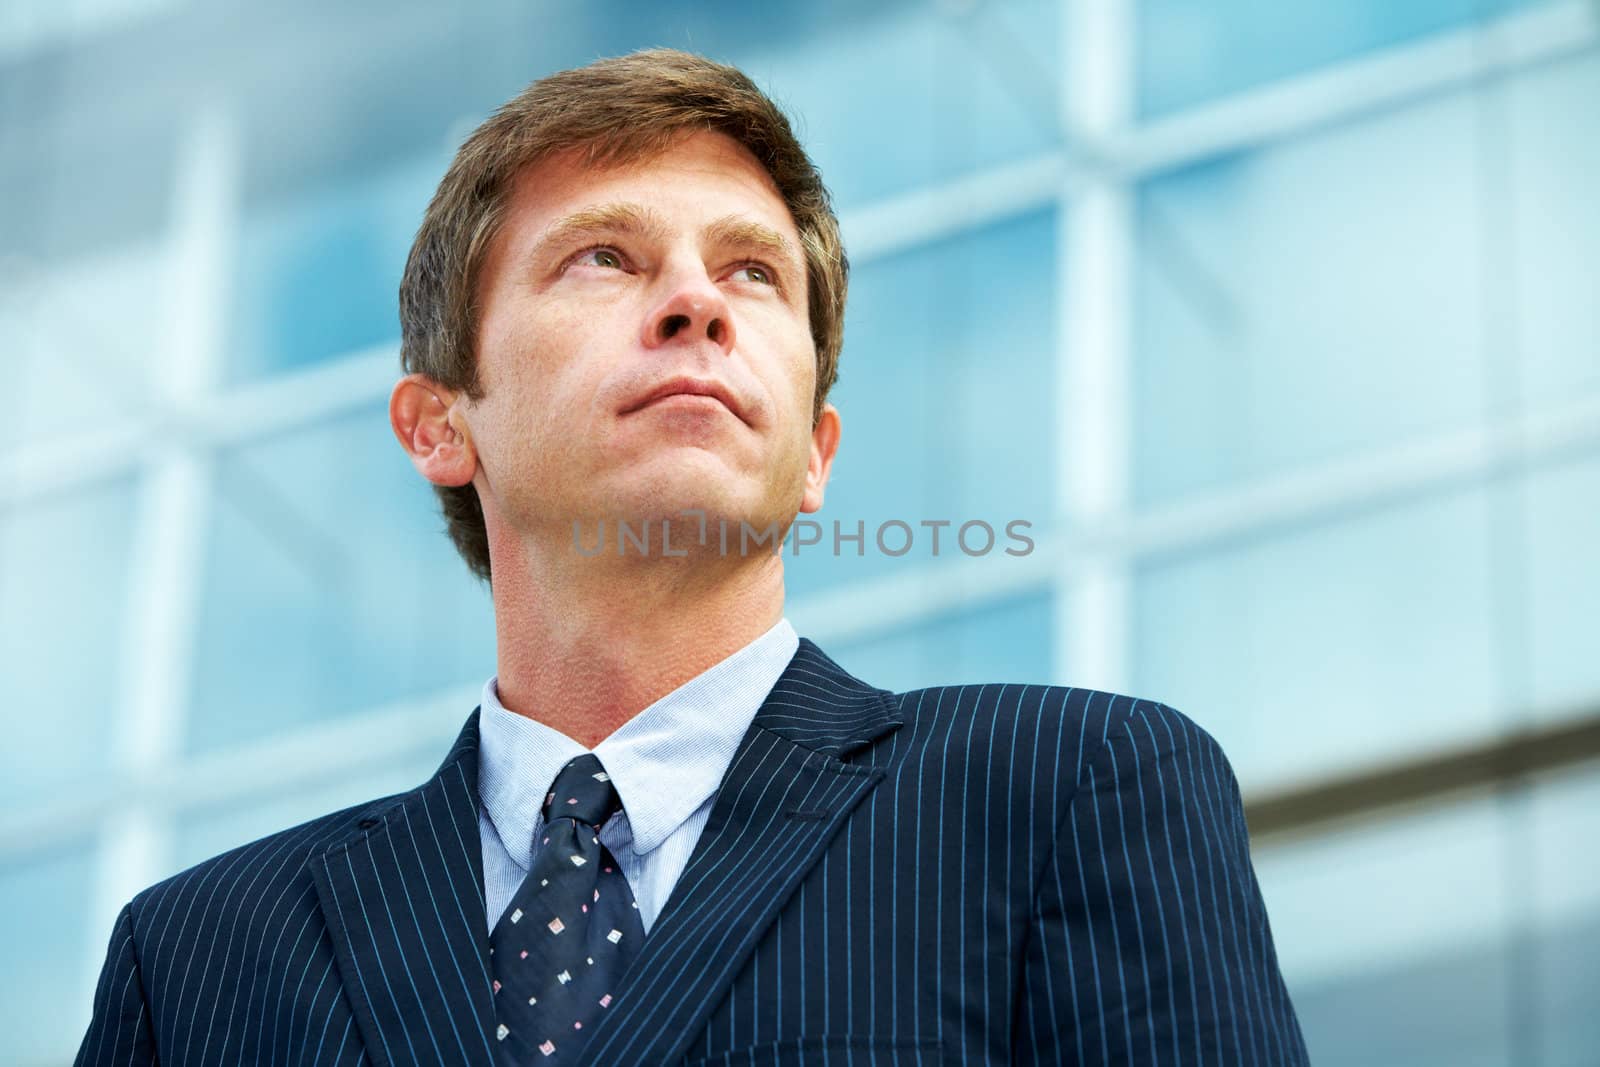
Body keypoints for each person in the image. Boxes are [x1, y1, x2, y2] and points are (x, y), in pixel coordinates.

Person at [76, 49, 1308, 1066]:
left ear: (815, 452)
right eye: (603, 256)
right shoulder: (193, 964)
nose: (695, 303)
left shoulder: (1068, 794)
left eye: (752, 273)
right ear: (440, 422)